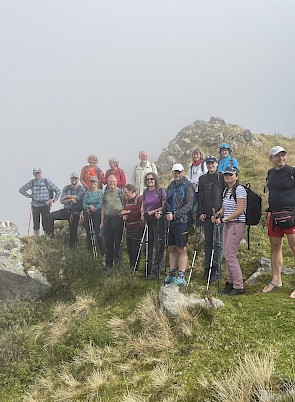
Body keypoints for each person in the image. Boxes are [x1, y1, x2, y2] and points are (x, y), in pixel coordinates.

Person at [262, 146, 295, 297]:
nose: (281, 157)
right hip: (275, 215)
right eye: (277, 155)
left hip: (292, 215)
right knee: (275, 248)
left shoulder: (292, 172)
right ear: (271, 158)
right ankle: (276, 280)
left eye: (283, 155)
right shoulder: (270, 173)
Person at [213, 166, 247, 296]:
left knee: (230, 254)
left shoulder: (239, 189)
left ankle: (238, 285)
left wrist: (224, 219)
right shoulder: (227, 190)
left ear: (236, 176)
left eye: (231, 175)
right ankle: (230, 282)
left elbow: (240, 209)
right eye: (226, 175)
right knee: (227, 254)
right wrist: (218, 215)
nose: (228, 177)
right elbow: (224, 207)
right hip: (228, 224)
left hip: (237, 224)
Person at [163, 164, 194, 285]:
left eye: (179, 172)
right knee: (171, 247)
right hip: (171, 222)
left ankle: (181, 275)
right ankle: (171, 274)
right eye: (175, 172)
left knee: (181, 248)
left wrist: (175, 215)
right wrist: (163, 212)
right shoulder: (170, 186)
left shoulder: (188, 185)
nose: (177, 174)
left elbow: (189, 205)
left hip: (183, 221)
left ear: (183, 172)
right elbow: (167, 202)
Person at [198, 156, 225, 283]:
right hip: (207, 216)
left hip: (219, 216)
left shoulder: (222, 177)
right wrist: (201, 212)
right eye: (208, 163)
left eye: (212, 163)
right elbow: (200, 198)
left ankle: (217, 270)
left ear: (217, 164)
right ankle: (207, 269)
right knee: (208, 242)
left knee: (218, 243)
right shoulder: (202, 179)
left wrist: (220, 213)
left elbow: (226, 196)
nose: (210, 165)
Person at [47, 173, 85, 248]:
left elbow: (78, 198)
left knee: (73, 231)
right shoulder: (66, 188)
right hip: (66, 211)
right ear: (70, 179)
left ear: (78, 179)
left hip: (75, 213)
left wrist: (67, 197)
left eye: (76, 178)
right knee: (49, 216)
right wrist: (70, 199)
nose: (74, 180)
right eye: (72, 178)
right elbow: (62, 201)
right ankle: (51, 237)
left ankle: (73, 247)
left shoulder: (81, 188)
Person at [19, 168, 61, 236]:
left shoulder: (46, 182)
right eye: (36, 173)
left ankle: (46, 237)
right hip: (35, 205)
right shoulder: (32, 182)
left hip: (45, 205)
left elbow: (58, 190)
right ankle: (37, 238)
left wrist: (53, 200)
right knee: (36, 223)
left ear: (41, 173)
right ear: (33, 174)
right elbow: (21, 190)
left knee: (45, 222)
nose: (37, 174)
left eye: (38, 173)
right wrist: (29, 196)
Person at [141, 172, 166, 279]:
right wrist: (142, 213)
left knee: (158, 245)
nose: (150, 181)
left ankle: (156, 271)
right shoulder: (146, 192)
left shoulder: (161, 191)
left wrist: (153, 211)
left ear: (155, 180)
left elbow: (164, 206)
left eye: (151, 179)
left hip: (158, 219)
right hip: (148, 220)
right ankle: (148, 269)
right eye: (147, 180)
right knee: (147, 245)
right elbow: (143, 205)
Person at [100, 175, 125, 268]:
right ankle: (108, 264)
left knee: (118, 242)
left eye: (114, 181)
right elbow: (103, 207)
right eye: (110, 182)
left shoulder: (120, 192)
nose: (112, 183)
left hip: (118, 219)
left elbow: (125, 203)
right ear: (107, 182)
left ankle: (118, 264)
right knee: (108, 242)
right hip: (108, 219)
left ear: (117, 181)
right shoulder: (105, 193)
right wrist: (102, 222)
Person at [120, 184, 144, 270]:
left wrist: (128, 212)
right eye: (124, 193)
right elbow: (124, 212)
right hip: (128, 227)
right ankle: (131, 266)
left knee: (136, 248)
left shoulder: (139, 199)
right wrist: (124, 216)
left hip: (137, 227)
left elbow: (139, 213)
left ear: (131, 191)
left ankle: (135, 268)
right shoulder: (127, 201)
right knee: (129, 249)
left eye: (126, 192)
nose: (125, 194)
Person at [83, 176, 106, 262]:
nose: (93, 184)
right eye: (91, 182)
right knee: (89, 233)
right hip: (89, 214)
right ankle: (90, 253)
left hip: (98, 214)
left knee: (99, 233)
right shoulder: (87, 193)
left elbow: (103, 204)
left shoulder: (101, 192)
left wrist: (96, 208)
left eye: (94, 182)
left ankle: (103, 253)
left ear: (97, 183)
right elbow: (84, 204)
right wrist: (90, 206)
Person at [187, 148, 207, 224]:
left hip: (201, 189)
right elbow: (189, 177)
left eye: (197, 154)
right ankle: (191, 222)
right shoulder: (191, 165)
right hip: (192, 189)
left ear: (200, 155)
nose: (196, 156)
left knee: (200, 206)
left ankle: (200, 224)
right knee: (190, 205)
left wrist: (199, 182)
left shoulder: (203, 164)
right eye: (194, 154)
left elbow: (205, 175)